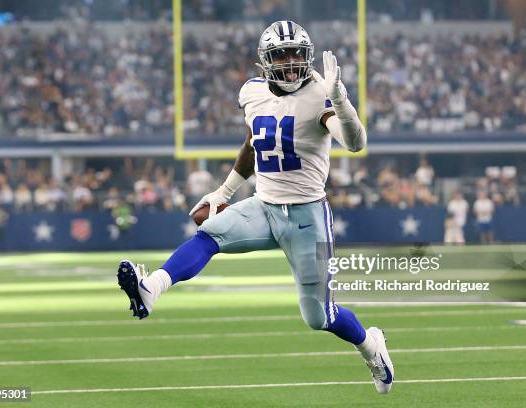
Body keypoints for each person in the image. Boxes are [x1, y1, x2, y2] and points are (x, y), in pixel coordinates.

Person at [116, 21, 393, 394]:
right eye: (282, 54)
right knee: (209, 233)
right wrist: (224, 191)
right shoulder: (252, 91)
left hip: (307, 217)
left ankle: (370, 346)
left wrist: (341, 102)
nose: (292, 62)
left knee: (319, 317)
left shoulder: (319, 95)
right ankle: (152, 288)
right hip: (264, 205)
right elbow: (252, 143)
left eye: (297, 53)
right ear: (266, 60)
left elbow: (355, 142)